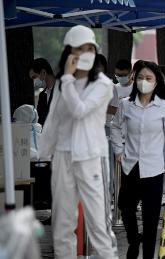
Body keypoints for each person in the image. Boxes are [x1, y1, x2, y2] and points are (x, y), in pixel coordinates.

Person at [38, 25, 117, 259]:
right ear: (69, 53)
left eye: (89, 49)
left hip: (91, 156)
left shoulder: (102, 84)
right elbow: (53, 119)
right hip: (63, 155)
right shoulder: (64, 83)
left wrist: (67, 80)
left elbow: (79, 110)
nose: (84, 54)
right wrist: (43, 153)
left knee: (98, 224)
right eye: (79, 49)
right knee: (62, 223)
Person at [111, 61, 165, 259]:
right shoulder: (126, 104)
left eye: (149, 78)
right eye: (141, 78)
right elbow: (115, 127)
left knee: (151, 220)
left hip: (154, 168)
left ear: (156, 81)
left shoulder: (164, 107)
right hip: (130, 166)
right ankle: (134, 240)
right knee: (126, 209)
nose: (144, 82)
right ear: (135, 80)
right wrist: (118, 150)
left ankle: (148, 255)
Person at [29, 58, 56, 125]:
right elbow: (40, 120)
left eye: (34, 77)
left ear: (43, 72)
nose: (34, 81)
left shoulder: (61, 90)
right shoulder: (42, 95)